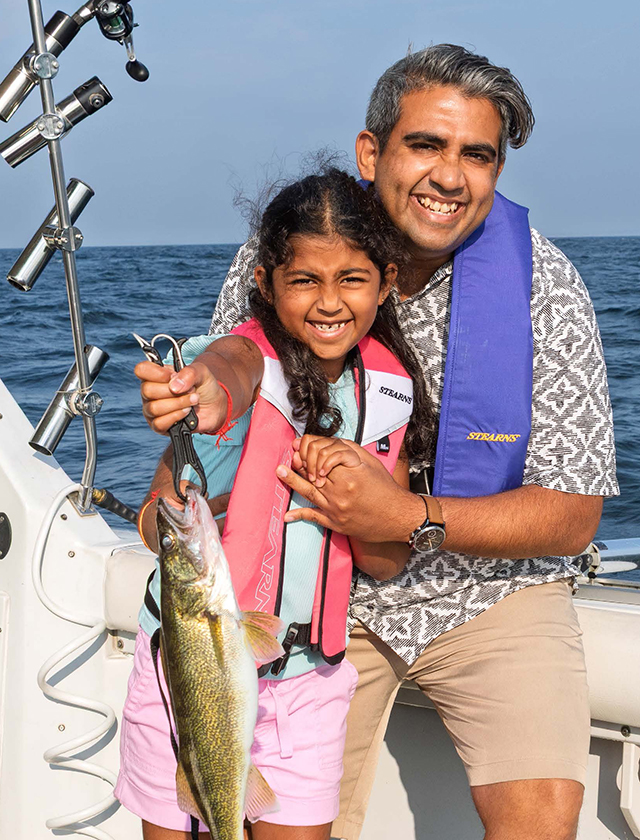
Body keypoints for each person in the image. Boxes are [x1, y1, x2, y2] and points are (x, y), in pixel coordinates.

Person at [196, 45, 619, 840]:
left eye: (477, 155)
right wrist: (205, 386)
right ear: (372, 153)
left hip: (490, 590)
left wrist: (407, 517)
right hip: (314, 587)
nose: (449, 176)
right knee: (278, 821)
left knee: (542, 819)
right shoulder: (291, 252)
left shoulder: (547, 285)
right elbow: (237, 371)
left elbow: (572, 514)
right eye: (426, 144)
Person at [116, 168, 436, 840]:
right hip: (186, 676)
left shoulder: (388, 394)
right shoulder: (243, 361)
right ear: (265, 283)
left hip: (307, 684)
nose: (328, 302)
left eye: (351, 279)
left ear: (387, 281)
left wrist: (365, 507)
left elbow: (381, 561)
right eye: (303, 280)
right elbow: (225, 376)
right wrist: (200, 396)